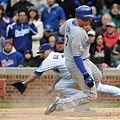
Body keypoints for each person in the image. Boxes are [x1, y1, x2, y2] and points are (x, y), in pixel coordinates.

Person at [12, 44, 120, 114]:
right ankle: (81, 104)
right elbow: (62, 73)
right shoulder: (56, 57)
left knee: (99, 88)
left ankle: (81, 105)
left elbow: (36, 73)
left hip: (81, 73)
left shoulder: (50, 58)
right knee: (60, 86)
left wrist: (25, 82)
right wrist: (52, 86)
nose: (41, 54)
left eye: (42, 52)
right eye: (40, 53)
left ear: (49, 50)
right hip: (74, 74)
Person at [44, 5, 103, 115]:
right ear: (82, 18)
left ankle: (82, 107)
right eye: (88, 18)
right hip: (77, 63)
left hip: (83, 60)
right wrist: (85, 74)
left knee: (98, 76)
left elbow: (61, 31)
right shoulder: (78, 33)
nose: (90, 20)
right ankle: (60, 104)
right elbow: (77, 57)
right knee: (91, 95)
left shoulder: (70, 21)